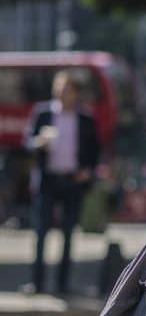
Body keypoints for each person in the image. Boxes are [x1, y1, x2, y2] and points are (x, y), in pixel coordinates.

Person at [20, 71, 100, 295]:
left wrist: (88, 171)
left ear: (76, 93)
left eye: (67, 89)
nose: (63, 93)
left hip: (73, 181)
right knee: (41, 233)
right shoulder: (42, 113)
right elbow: (27, 143)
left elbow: (96, 151)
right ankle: (37, 284)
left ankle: (63, 285)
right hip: (48, 181)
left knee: (68, 234)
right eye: (59, 88)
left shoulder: (86, 118)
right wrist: (38, 143)